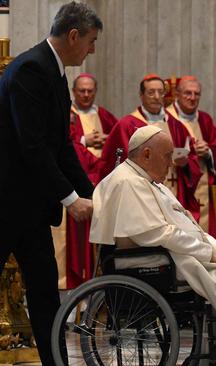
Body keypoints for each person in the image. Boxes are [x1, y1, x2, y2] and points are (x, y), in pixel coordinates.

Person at [90, 126, 216, 365]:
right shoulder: (128, 183)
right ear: (146, 154)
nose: (171, 163)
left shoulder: (149, 181)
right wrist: (209, 254)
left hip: (173, 253)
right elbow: (159, 233)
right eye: (167, 156)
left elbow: (187, 223)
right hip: (154, 259)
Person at [0, 2, 101, 363]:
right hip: (6, 202)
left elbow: (61, 147)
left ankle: (55, 361)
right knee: (43, 290)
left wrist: (93, 194)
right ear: (73, 35)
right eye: (90, 41)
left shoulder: (54, 73)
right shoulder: (31, 68)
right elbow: (32, 146)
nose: (91, 50)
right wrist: (70, 198)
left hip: (28, 208)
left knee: (44, 292)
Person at [100, 73, 201, 213]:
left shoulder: (176, 125)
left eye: (160, 92)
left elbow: (193, 160)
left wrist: (185, 164)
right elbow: (117, 164)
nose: (157, 96)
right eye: (151, 92)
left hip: (173, 192)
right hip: (140, 196)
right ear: (141, 95)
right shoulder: (127, 125)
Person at [65, 72, 118, 288]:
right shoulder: (67, 114)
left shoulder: (105, 116)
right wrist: (84, 140)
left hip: (101, 183)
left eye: (90, 91)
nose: (86, 95)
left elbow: (118, 144)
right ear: (73, 92)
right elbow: (62, 144)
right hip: (75, 186)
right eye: (81, 91)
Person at [166, 75, 216, 235]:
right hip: (176, 183)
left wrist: (209, 153)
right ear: (177, 95)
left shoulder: (205, 119)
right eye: (188, 93)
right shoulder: (166, 118)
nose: (192, 98)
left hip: (203, 188)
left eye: (196, 94)